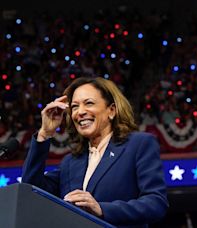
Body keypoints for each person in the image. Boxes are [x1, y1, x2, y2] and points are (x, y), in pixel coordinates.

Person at [22, 77, 169, 227]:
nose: (80, 112)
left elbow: (156, 203)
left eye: (89, 103)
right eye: (74, 106)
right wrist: (45, 133)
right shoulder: (70, 162)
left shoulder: (139, 145)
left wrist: (102, 209)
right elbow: (30, 190)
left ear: (111, 110)